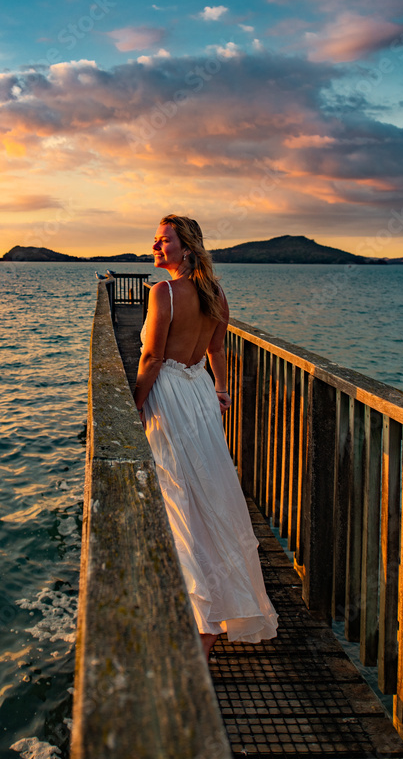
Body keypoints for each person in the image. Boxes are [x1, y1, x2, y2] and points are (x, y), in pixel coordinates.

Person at [133, 214, 278, 661]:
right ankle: (211, 608)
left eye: (164, 241)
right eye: (156, 241)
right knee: (210, 494)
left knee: (179, 498)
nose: (156, 247)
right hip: (198, 393)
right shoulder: (215, 294)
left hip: (172, 395)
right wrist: (220, 388)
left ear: (187, 248)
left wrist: (135, 405)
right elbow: (216, 349)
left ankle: (204, 618)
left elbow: (153, 358)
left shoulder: (164, 293)